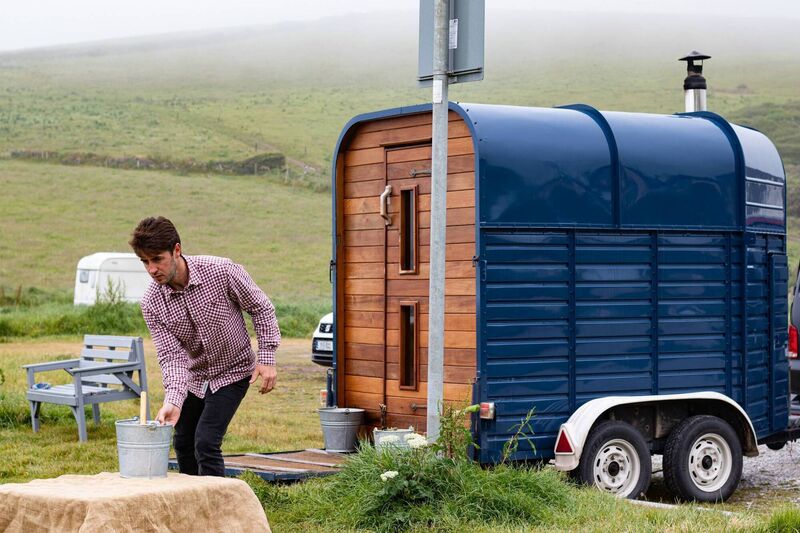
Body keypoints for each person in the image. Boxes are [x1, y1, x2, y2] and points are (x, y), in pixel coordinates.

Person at [129, 216, 280, 476]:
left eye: (157, 259)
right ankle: (190, 506)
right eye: (145, 262)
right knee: (183, 442)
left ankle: (217, 510)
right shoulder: (152, 303)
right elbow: (171, 356)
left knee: (206, 442)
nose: (152, 269)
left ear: (176, 250)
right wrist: (174, 401)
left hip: (234, 370)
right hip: (195, 376)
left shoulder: (222, 271)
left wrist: (266, 357)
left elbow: (261, 308)